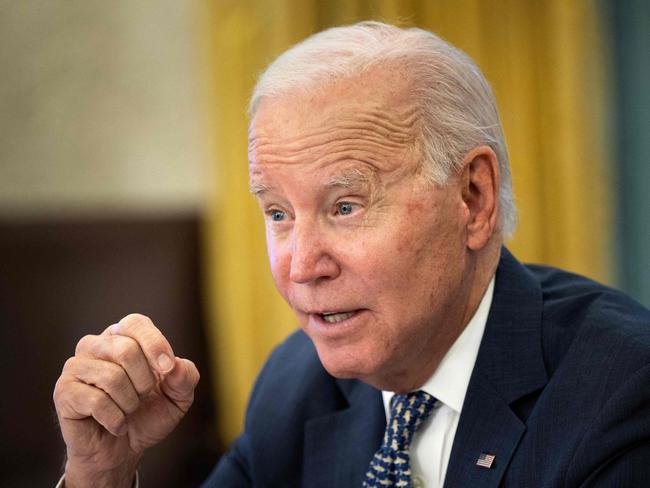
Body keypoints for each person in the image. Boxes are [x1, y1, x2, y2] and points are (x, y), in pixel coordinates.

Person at [53, 21, 650, 488]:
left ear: (473, 197)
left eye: (345, 206)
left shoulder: (620, 394)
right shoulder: (296, 385)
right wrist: (101, 474)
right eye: (278, 213)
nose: (301, 265)